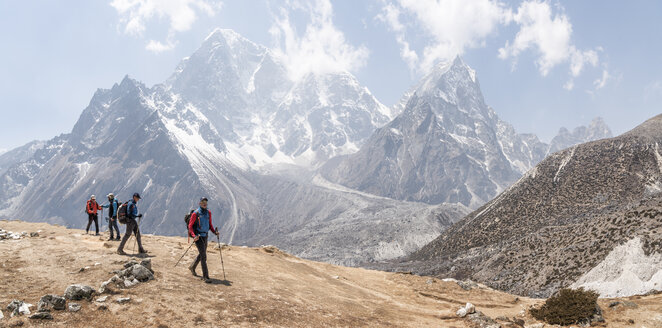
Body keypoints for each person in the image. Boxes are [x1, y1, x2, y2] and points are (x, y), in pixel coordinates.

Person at [188, 197, 219, 283]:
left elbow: (210, 225)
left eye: (205, 202)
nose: (204, 203)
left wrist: (214, 232)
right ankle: (206, 277)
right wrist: (194, 236)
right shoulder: (196, 213)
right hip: (198, 237)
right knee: (204, 256)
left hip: (205, 236)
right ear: (200, 203)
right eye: (203, 202)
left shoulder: (208, 213)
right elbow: (190, 226)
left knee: (202, 254)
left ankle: (192, 267)